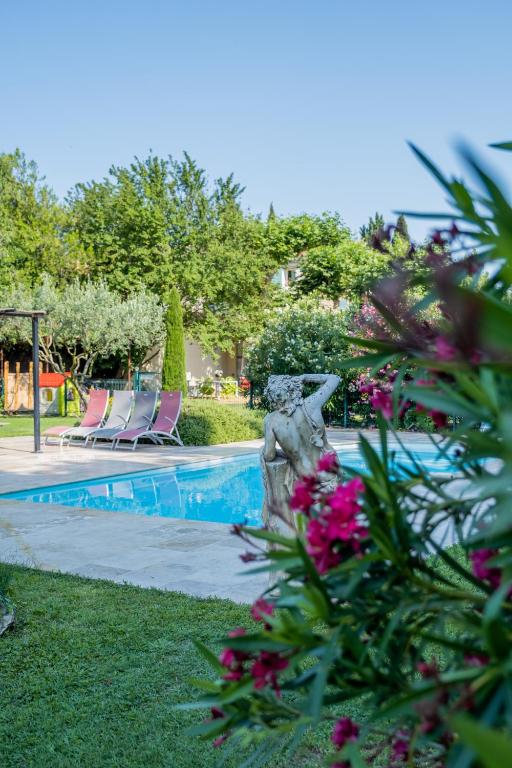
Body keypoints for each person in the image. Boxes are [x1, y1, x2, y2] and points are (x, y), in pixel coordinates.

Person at [261, 373, 340, 531]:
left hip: (307, 480)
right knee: (334, 526)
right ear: (292, 390)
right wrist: (305, 377)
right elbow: (334, 379)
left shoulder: (270, 420)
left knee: (313, 531)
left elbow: (269, 456)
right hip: (330, 474)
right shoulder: (311, 404)